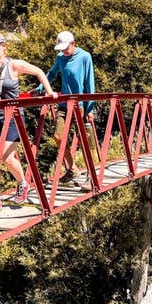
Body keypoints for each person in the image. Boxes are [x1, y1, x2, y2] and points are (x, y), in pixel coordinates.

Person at [0, 32, 57, 216]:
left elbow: (39, 71)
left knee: (6, 158)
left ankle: (22, 182)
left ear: (4, 46)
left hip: (12, 117)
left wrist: (50, 92)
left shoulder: (14, 65)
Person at [37, 31, 96, 192]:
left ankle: (91, 177)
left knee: (84, 140)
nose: (64, 51)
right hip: (64, 104)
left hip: (80, 105)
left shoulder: (85, 57)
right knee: (58, 136)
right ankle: (72, 169)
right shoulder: (60, 58)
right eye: (61, 49)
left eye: (66, 48)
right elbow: (52, 73)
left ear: (73, 43)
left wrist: (90, 107)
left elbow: (89, 83)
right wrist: (40, 88)